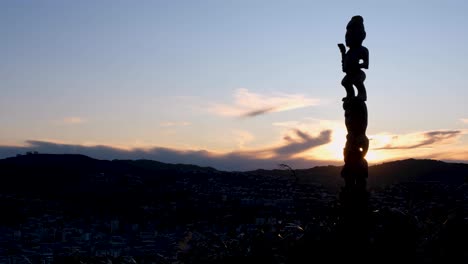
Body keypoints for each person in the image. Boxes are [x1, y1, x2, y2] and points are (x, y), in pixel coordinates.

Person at [338, 15, 369, 101]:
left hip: (359, 73)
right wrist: (343, 52)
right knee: (345, 82)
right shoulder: (349, 53)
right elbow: (345, 68)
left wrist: (357, 66)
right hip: (350, 74)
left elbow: (366, 64)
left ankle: (362, 94)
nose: (348, 36)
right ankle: (350, 94)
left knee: (357, 81)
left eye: (352, 33)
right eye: (347, 34)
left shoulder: (363, 50)